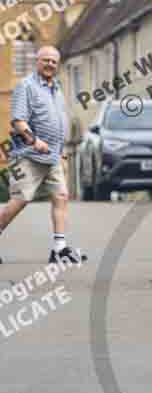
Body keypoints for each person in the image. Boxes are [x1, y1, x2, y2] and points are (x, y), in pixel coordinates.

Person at [0, 46, 87, 265]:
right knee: (20, 200)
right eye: (45, 60)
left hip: (53, 156)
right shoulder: (26, 86)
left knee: (61, 197)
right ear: (37, 61)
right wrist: (34, 140)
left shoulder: (56, 88)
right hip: (28, 155)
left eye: (54, 61)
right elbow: (18, 121)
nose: (50, 64)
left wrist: (60, 151)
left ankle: (59, 249)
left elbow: (58, 121)